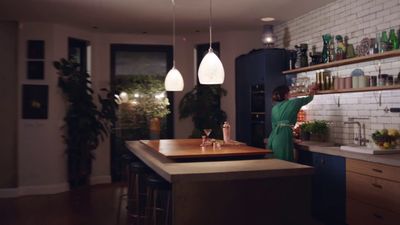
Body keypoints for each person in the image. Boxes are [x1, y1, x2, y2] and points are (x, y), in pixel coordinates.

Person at [267, 85, 316, 161]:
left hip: (273, 138)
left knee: (275, 165)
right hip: (284, 140)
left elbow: (274, 126)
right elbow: (309, 98)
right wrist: (312, 90)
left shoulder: (274, 108)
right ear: (286, 94)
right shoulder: (294, 103)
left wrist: (292, 138)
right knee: (285, 164)